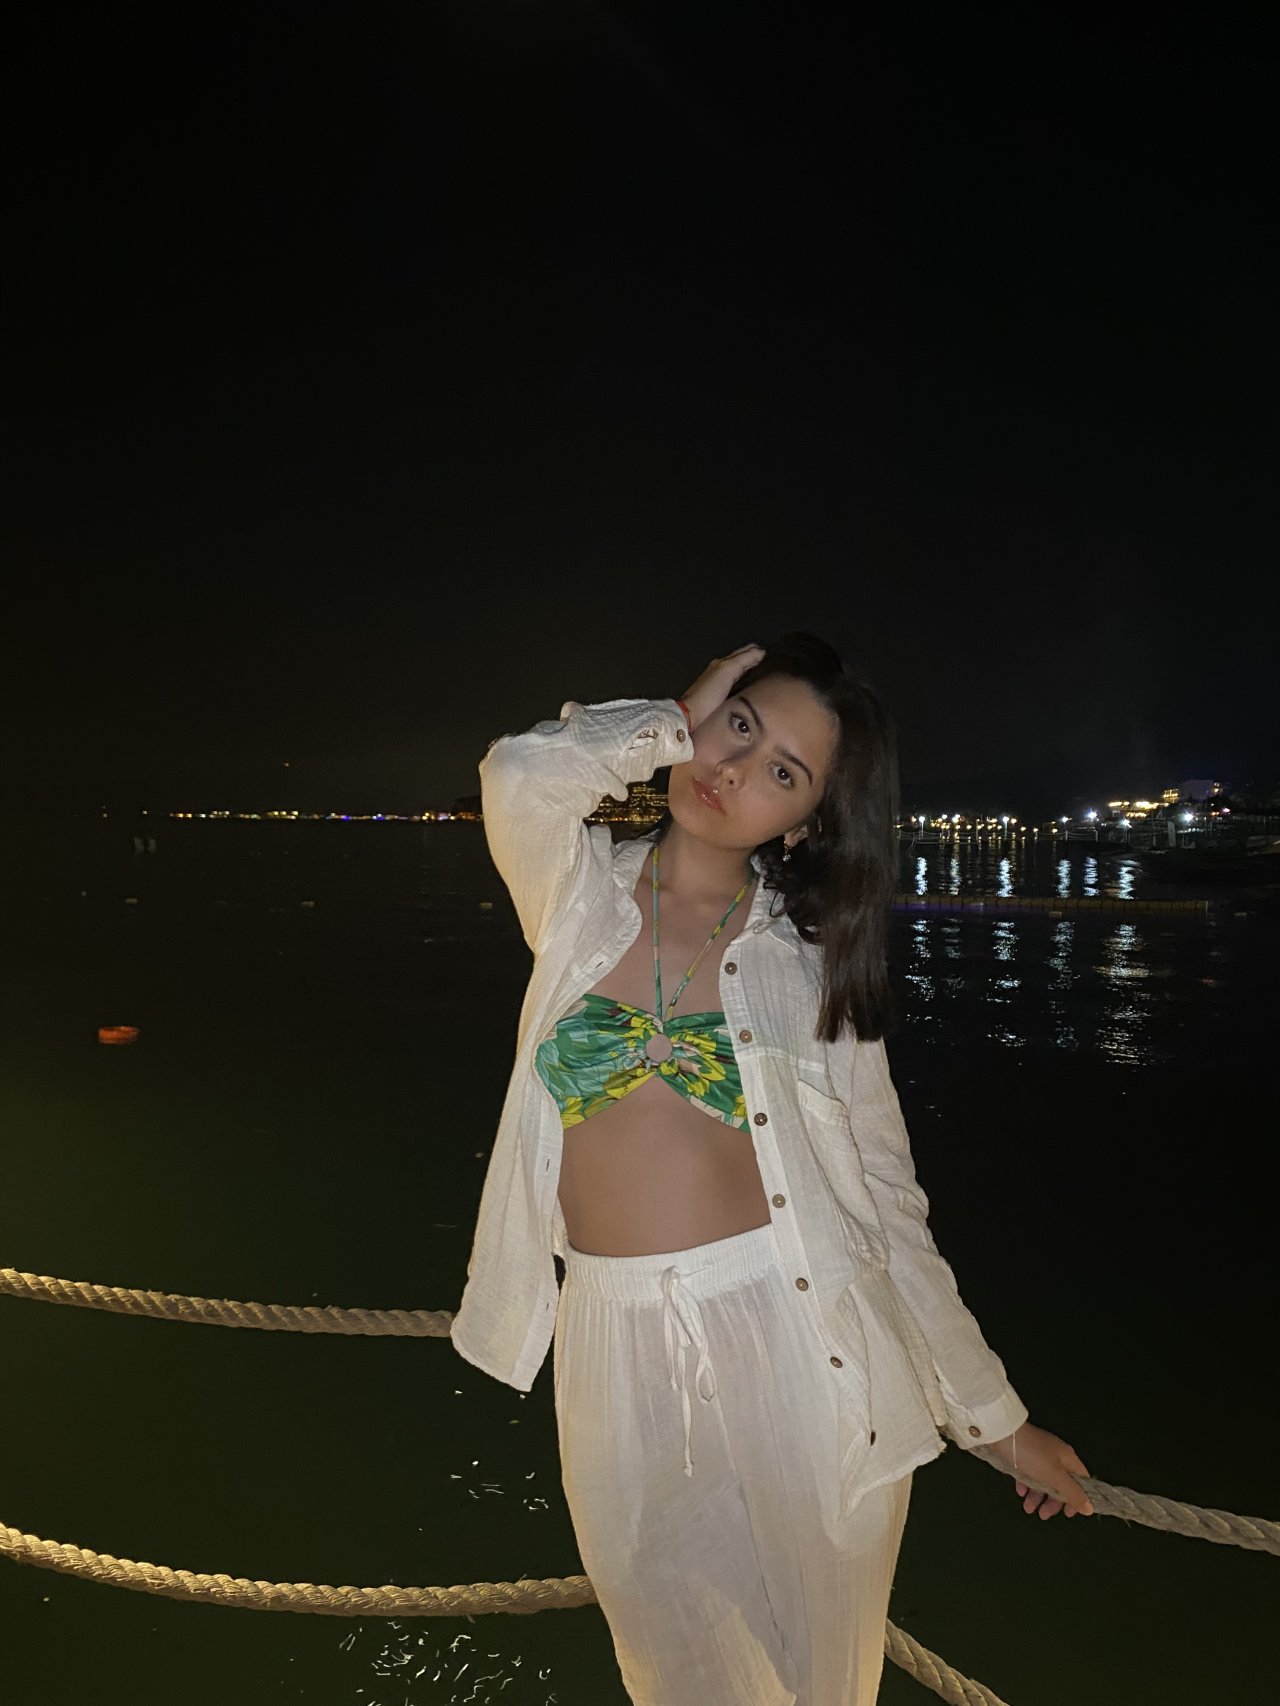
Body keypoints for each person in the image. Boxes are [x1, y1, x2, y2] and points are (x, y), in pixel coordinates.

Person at [451, 635, 1093, 1706]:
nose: (736, 769)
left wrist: (994, 1419)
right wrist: (670, 717)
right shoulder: (574, 896)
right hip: (615, 1344)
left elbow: (884, 1206)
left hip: (803, 1344)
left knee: (820, 1682)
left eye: (783, 772)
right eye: (738, 726)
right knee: (675, 1669)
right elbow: (518, 771)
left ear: (801, 822)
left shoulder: (809, 964)